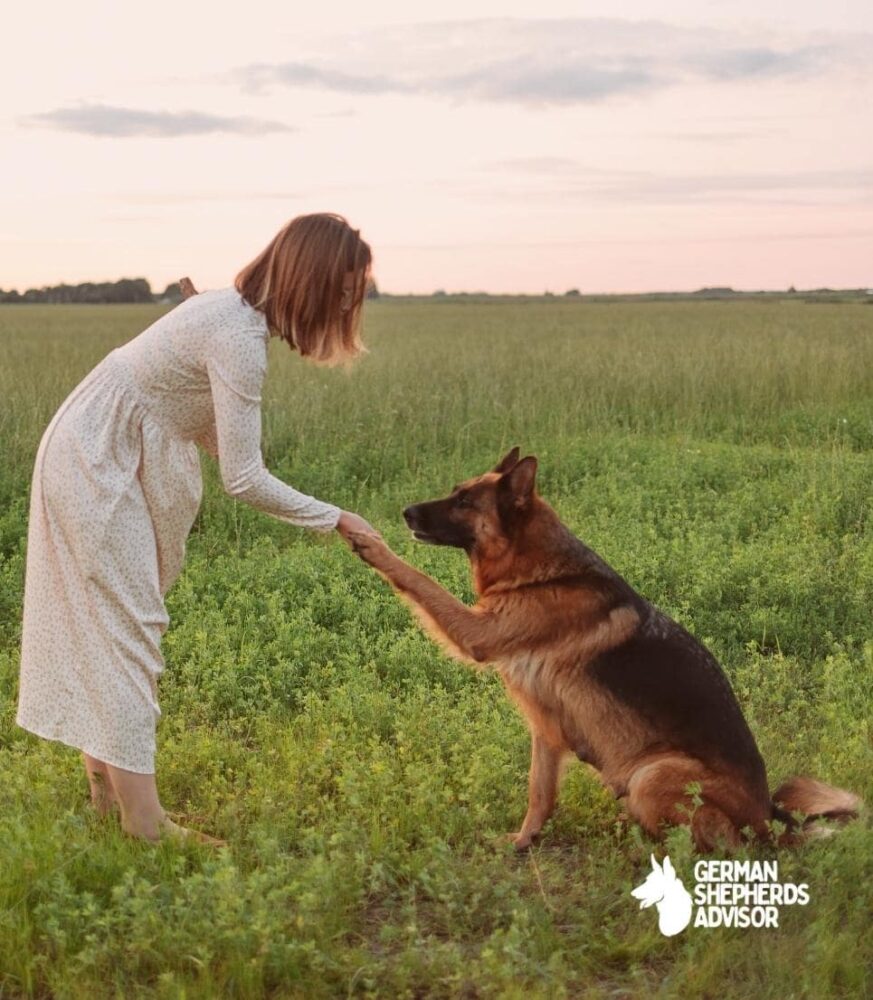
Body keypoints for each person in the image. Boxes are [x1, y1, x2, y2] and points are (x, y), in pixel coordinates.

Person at [17, 213, 378, 844]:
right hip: (96, 458)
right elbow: (243, 478)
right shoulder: (236, 336)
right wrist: (336, 518)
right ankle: (145, 823)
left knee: (115, 625)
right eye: (344, 291)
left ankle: (108, 799)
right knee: (130, 630)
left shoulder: (229, 315)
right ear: (312, 280)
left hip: (99, 447)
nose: (350, 304)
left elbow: (193, 421)